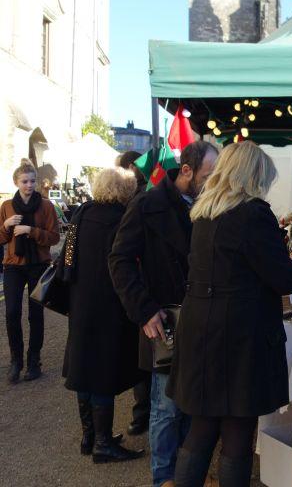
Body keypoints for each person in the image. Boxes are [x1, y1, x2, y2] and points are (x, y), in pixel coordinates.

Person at [168, 141, 292, 487]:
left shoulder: (204, 211)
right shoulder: (252, 214)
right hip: (237, 335)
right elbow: (280, 276)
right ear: (253, 175)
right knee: (237, 429)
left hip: (200, 328)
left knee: (203, 425)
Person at [109, 141, 218, 487]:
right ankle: (164, 478)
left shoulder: (210, 205)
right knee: (166, 407)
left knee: (195, 403)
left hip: (203, 318)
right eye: (208, 176)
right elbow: (119, 261)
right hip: (165, 319)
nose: (213, 183)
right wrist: (144, 310)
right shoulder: (147, 204)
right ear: (186, 170)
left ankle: (189, 475)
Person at [62, 167, 146, 463]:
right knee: (102, 372)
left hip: (80, 301)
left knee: (83, 367)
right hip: (109, 304)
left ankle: (89, 437)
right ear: (125, 191)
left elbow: (67, 257)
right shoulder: (122, 219)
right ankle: (102, 443)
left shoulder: (81, 213)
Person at [0, 159, 60, 383]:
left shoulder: (46, 206)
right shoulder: (7, 206)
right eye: (24, 181)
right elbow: (1, 238)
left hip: (38, 265)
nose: (29, 185)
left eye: (32, 181)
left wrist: (31, 230)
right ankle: (16, 361)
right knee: (12, 312)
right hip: (14, 265)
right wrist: (6, 225)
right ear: (16, 182)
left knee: (36, 314)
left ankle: (34, 361)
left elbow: (54, 238)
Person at [116, 149, 150, 436]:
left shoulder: (133, 203)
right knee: (146, 355)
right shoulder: (139, 203)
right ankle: (142, 413)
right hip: (136, 289)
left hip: (124, 292)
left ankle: (141, 414)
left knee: (142, 355)